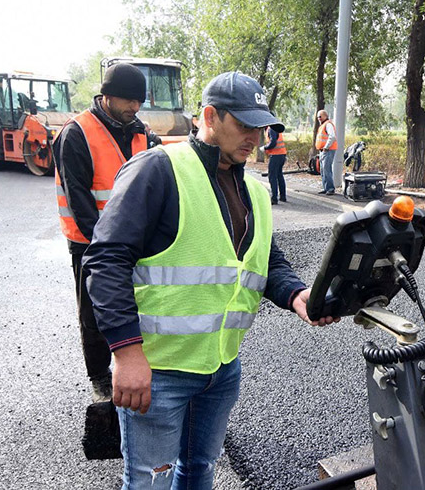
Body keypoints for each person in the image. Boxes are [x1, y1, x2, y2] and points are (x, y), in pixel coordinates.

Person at [82, 71, 339, 489]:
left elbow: (264, 259)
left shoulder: (254, 190)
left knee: (200, 469)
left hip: (221, 369)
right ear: (210, 116)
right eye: (243, 124)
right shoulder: (158, 170)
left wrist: (297, 294)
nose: (254, 136)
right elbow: (106, 260)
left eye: (260, 126)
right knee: (150, 482)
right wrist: (126, 353)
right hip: (158, 370)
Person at [52, 63, 160, 403]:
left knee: (138, 303)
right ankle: (100, 377)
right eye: (128, 100)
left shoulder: (141, 132)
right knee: (94, 314)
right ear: (107, 96)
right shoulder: (77, 134)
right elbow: (80, 201)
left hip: (134, 242)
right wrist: (107, 249)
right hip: (89, 243)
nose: (134, 107)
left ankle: (137, 363)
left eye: (139, 101)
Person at [315, 109, 337, 195]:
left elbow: (332, 136)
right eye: (317, 117)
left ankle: (330, 188)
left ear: (325, 116)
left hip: (328, 150)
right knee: (323, 170)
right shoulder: (323, 125)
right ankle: (326, 187)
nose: (319, 118)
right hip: (323, 150)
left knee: (326, 169)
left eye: (320, 116)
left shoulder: (328, 124)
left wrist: (326, 147)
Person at [264, 125, 287, 204]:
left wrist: (265, 147)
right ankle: (283, 196)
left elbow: (273, 142)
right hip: (282, 154)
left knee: (272, 176)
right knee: (279, 175)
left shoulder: (271, 129)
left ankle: (274, 198)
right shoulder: (276, 127)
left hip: (275, 155)